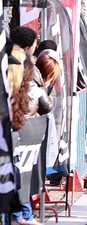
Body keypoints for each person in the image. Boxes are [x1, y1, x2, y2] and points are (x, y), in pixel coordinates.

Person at [9, 26, 43, 225]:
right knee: (17, 170)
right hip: (16, 126)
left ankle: (22, 213)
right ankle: (22, 214)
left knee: (17, 170)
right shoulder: (21, 62)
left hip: (16, 124)